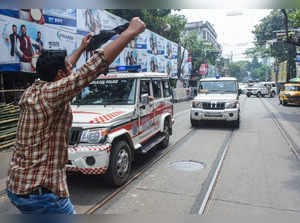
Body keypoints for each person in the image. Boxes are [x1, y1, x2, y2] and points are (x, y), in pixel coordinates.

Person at [6, 17, 146, 214]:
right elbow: (91, 68)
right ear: (61, 75)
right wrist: (129, 33)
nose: (71, 68)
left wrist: (81, 48)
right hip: (42, 195)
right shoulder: (52, 94)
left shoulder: (34, 89)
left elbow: (66, 69)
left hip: (18, 188)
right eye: (67, 69)